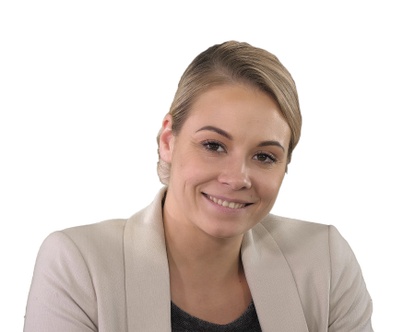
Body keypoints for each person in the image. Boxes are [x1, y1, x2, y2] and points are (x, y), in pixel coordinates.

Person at [23, 40, 373, 332]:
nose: (237, 178)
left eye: (264, 156)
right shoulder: (79, 264)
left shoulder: (324, 261)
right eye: (213, 146)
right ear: (167, 141)